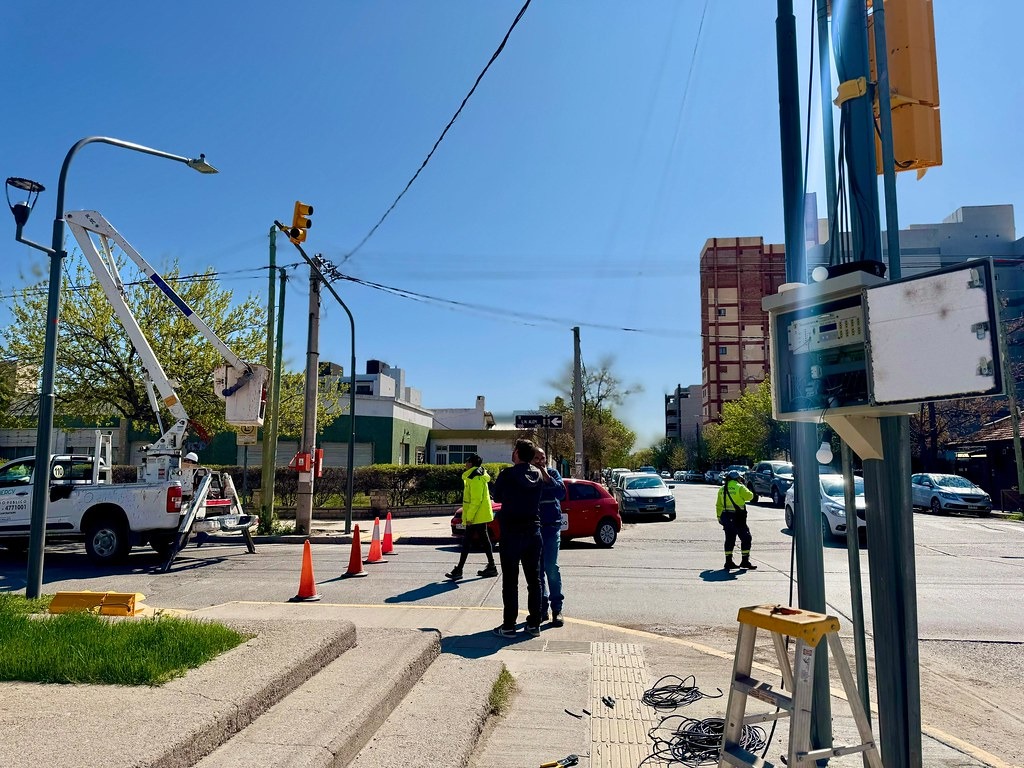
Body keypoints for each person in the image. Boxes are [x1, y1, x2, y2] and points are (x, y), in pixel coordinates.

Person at [490, 438, 545, 638]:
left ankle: (509, 625)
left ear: (517, 454)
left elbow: (497, 498)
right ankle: (534, 623)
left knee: (510, 581)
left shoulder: (507, 474)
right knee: (535, 580)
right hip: (533, 531)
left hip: (511, 532)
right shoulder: (538, 474)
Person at [445, 454, 497, 580]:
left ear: (471, 463)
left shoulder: (475, 478)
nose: (465, 463)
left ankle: (460, 570)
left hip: (476, 516)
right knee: (479, 540)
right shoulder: (473, 476)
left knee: (468, 542)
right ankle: (491, 566)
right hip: (478, 515)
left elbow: (476, 500)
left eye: (467, 461)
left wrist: (469, 517)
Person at [532, 448, 566, 626]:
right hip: (534, 529)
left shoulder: (552, 473)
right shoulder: (529, 476)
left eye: (542, 458)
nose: (540, 461)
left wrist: (545, 474)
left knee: (551, 568)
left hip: (551, 528)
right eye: (536, 458)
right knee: (537, 572)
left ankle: (557, 609)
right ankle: (542, 609)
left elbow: (561, 493)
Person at [716, 470, 757, 570]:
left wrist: (719, 518)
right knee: (746, 538)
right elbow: (750, 496)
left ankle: (728, 562)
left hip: (726, 517)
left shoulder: (722, 489)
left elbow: (719, 505)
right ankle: (745, 561)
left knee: (729, 539)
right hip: (738, 517)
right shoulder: (739, 487)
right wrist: (744, 486)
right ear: (737, 478)